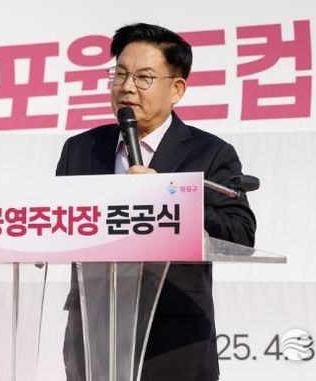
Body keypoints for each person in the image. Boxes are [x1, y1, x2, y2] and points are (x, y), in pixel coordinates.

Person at [56, 23, 256, 381]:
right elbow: (59, 224)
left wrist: (167, 199)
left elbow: (240, 233)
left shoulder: (210, 153)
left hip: (175, 342)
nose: (127, 87)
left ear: (176, 89)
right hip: (94, 336)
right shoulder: (81, 149)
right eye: (120, 74)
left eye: (144, 77)